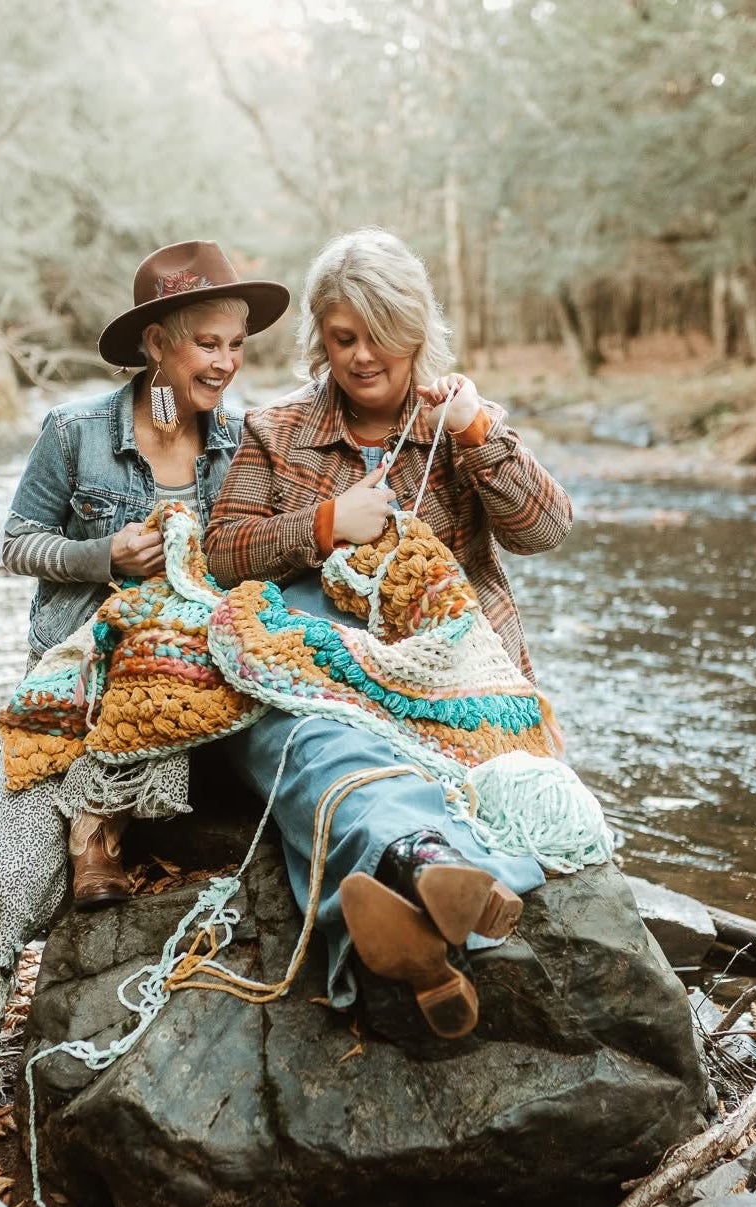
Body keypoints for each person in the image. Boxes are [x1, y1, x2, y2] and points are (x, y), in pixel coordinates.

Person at [0, 241, 288, 1134]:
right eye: (206, 344)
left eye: (236, 345)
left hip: (186, 700)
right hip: (68, 691)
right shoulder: (74, 434)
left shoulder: (245, 445)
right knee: (6, 865)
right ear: (156, 343)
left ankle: (98, 833)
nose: (226, 364)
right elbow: (16, 544)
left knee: (165, 636)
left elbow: (257, 561)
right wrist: (99, 556)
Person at [204, 228, 572, 1039]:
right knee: (323, 746)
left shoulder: (462, 422)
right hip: (323, 672)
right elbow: (220, 553)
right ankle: (438, 874)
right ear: (319, 337)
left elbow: (546, 531)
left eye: (380, 335)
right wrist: (323, 523)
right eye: (342, 337)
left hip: (453, 675)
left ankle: (418, 892)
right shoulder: (277, 431)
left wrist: (479, 437)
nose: (362, 356)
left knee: (448, 768)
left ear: (415, 332)